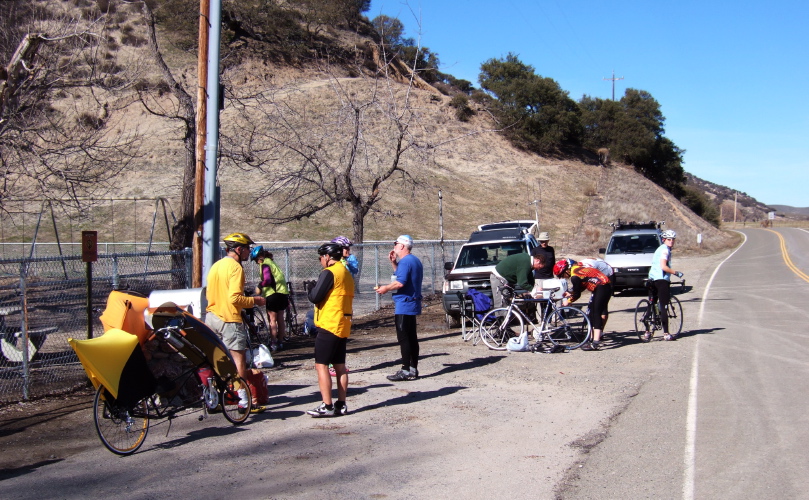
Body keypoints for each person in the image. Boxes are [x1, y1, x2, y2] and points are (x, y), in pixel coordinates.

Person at [205, 232, 266, 411]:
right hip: (230, 319)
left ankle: (215, 398)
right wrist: (255, 301)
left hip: (212, 316)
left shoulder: (216, 265)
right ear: (239, 249)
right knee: (239, 360)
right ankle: (244, 402)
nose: (249, 252)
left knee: (218, 361)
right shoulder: (236, 268)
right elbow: (235, 298)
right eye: (247, 248)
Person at [306, 243, 355, 417]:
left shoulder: (330, 272)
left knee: (321, 366)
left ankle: (327, 405)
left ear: (327, 257)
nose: (320, 261)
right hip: (343, 323)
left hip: (329, 324)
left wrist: (310, 288)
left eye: (321, 258)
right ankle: (341, 404)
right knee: (340, 366)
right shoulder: (346, 272)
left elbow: (315, 297)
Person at [376, 235, 423, 381]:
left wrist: (385, 288)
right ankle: (413, 369)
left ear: (402, 246)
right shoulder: (414, 260)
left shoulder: (406, 261)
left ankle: (406, 369)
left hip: (404, 303)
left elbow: (400, 283)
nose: (394, 246)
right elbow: (403, 276)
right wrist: (394, 263)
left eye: (396, 244)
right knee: (412, 337)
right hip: (413, 302)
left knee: (404, 338)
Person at [553, 257, 612, 351]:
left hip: (603, 287)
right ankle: (592, 339)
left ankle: (596, 342)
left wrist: (568, 302)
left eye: (562, 275)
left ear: (566, 270)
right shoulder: (576, 269)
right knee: (592, 312)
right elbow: (582, 286)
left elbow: (577, 294)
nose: (563, 277)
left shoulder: (574, 276)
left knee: (596, 312)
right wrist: (570, 293)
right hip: (601, 287)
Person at [645, 229, 684, 342]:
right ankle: (666, 333)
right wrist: (676, 272)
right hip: (661, 280)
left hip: (652, 278)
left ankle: (647, 332)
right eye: (669, 239)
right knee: (663, 306)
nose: (671, 241)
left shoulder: (659, 249)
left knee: (651, 303)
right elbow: (663, 267)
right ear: (663, 240)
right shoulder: (665, 250)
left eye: (673, 240)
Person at [250, 246, 289, 352]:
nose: (257, 263)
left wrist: (260, 285)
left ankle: (273, 343)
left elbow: (267, 280)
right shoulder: (272, 262)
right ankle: (280, 342)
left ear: (259, 258)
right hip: (283, 293)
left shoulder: (265, 264)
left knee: (272, 320)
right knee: (280, 319)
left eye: (256, 261)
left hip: (273, 294)